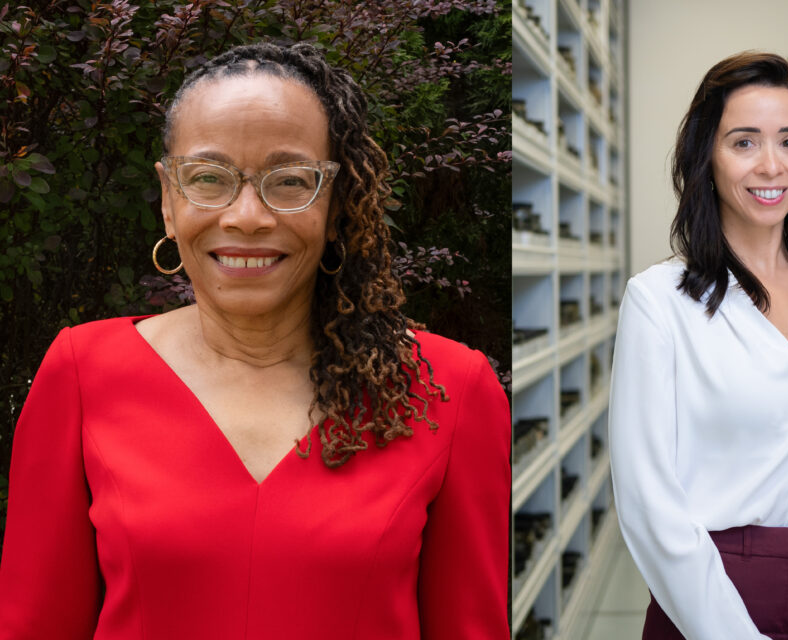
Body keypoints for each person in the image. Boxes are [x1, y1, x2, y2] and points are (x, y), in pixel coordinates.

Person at [0, 42, 510, 640]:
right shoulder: (82, 373)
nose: (246, 216)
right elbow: (36, 625)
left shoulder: (446, 391)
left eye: (289, 181)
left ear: (337, 202)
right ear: (168, 200)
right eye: (208, 179)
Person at [608, 52, 788, 640]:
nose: (772, 166)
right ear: (706, 159)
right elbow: (649, 504)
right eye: (744, 143)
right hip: (709, 600)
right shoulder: (659, 302)